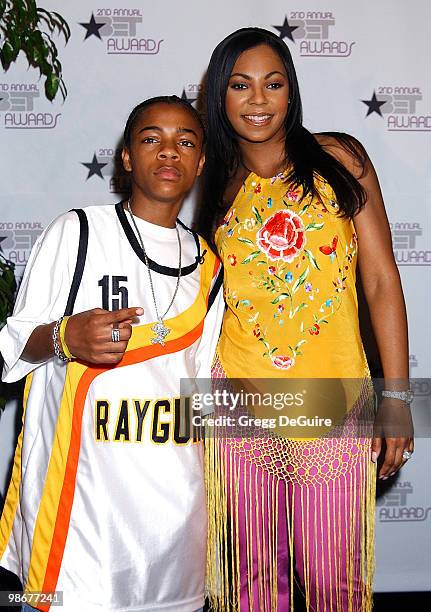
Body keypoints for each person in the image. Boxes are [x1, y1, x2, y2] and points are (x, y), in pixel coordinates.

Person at [199, 28, 414, 612]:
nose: (259, 100)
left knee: (333, 581)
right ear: (219, 97)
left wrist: (395, 396)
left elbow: (380, 280)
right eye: (240, 86)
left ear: (292, 93)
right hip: (238, 405)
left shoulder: (339, 157)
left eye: (274, 83)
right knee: (249, 581)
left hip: (334, 397)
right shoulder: (216, 187)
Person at [0, 95, 224, 612]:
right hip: (82, 513)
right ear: (127, 156)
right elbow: (14, 344)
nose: (169, 153)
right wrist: (64, 337)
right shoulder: (76, 232)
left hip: (174, 510)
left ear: (201, 162)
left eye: (185, 142)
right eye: (152, 139)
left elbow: (203, 394)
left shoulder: (210, 267)